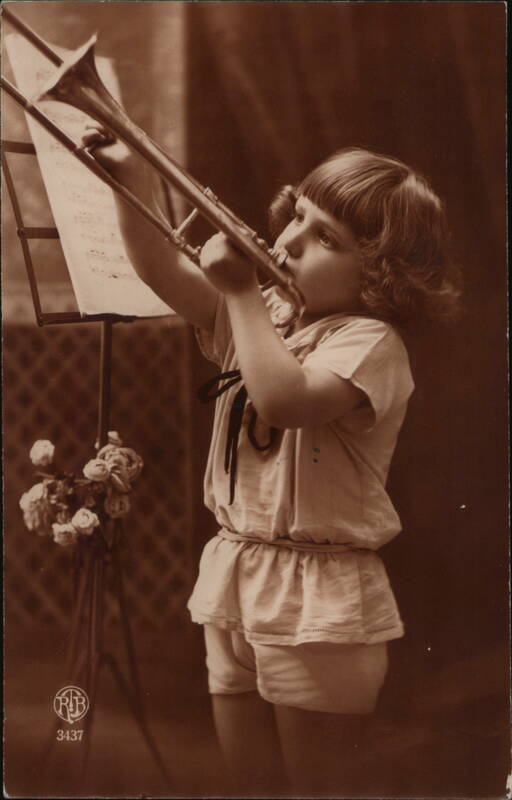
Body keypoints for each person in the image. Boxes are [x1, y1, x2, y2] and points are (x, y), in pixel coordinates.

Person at [80, 128, 461, 795]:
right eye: (299, 218)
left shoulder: (372, 341)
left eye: (325, 238)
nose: (289, 241)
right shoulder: (273, 313)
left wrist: (241, 294)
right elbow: (162, 271)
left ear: (382, 275)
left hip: (319, 599)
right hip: (238, 573)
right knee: (247, 786)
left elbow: (283, 399)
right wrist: (130, 180)